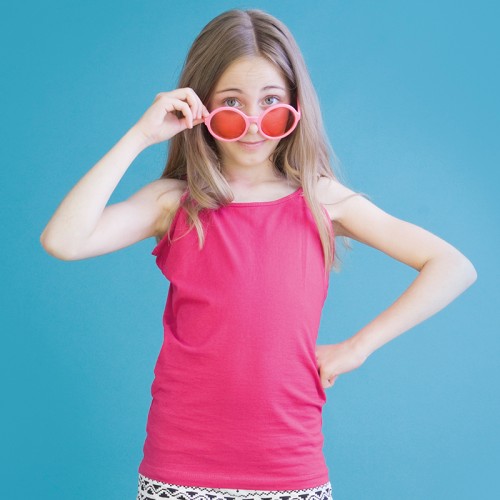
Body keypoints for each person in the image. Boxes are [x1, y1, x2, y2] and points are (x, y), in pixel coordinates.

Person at [39, 8, 477, 500]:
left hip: (290, 466)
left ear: (295, 104)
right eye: (232, 103)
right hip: (180, 465)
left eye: (271, 102)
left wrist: (357, 347)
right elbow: (64, 240)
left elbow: (453, 266)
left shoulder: (322, 199)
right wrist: (140, 136)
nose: (253, 124)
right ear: (199, 107)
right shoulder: (174, 202)